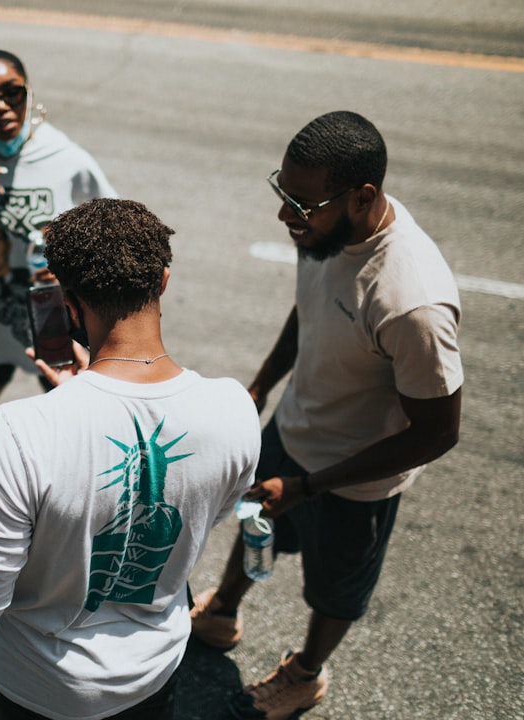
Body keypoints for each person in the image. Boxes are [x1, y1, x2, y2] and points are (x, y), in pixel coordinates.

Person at [0, 198, 261, 720]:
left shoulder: (22, 430)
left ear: (66, 301)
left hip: (39, 686)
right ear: (162, 280)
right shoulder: (235, 409)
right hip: (153, 672)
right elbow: (208, 514)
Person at [191, 111, 463, 719]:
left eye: (301, 203)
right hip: (295, 428)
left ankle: (306, 673)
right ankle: (221, 614)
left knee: (336, 588)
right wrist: (263, 384)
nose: (285, 215)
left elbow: (439, 432)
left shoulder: (410, 301)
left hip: (354, 478)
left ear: (363, 197)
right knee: (257, 518)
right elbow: (310, 309)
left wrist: (309, 486)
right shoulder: (324, 232)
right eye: (281, 193)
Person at [0, 49, 118, 519]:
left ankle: (54, 511)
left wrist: (70, 267)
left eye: (13, 93)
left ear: (30, 93)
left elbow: (115, 237)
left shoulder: (67, 159)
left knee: (70, 429)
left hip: (52, 318)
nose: (2, 108)